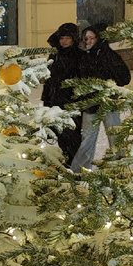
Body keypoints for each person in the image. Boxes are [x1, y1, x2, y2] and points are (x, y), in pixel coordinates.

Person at [70, 25, 131, 171]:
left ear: (99, 38)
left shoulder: (109, 55)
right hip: (90, 105)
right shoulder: (82, 56)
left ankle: (120, 167)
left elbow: (124, 77)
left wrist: (109, 81)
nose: (89, 41)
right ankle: (80, 170)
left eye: (92, 38)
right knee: (87, 139)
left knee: (115, 136)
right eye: (86, 38)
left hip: (109, 103)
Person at [42, 22, 83, 165]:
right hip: (56, 99)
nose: (64, 41)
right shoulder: (55, 54)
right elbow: (49, 78)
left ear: (73, 38)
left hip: (72, 101)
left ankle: (73, 162)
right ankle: (66, 160)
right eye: (61, 38)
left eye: (67, 38)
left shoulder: (79, 55)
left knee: (72, 134)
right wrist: (46, 99)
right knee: (60, 133)